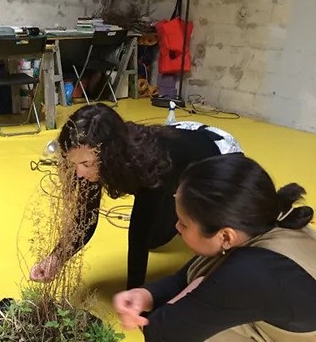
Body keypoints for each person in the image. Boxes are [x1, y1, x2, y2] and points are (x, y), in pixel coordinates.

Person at [113, 154, 316, 342]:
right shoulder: (264, 223)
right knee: (212, 316)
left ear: (225, 236)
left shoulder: (251, 272)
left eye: (184, 224)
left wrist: (189, 294)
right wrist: (146, 295)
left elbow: (163, 339)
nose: (176, 227)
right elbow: (187, 276)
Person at [30, 103, 242, 289]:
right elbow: (86, 219)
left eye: (86, 164)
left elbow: (138, 232)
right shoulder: (92, 159)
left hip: (215, 155)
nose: (79, 173)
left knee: (201, 235)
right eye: (74, 163)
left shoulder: (150, 164)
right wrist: (56, 258)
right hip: (179, 142)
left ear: (110, 156)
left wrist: (134, 291)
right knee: (156, 239)